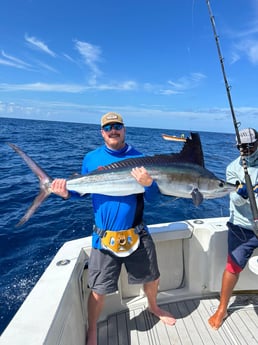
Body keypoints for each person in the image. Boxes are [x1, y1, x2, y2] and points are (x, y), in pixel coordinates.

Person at [51, 112, 176, 345]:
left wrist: (149, 185)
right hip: (104, 237)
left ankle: (154, 307)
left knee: (152, 277)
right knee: (98, 289)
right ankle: (92, 331)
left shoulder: (141, 158)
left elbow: (155, 200)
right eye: (108, 127)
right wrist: (66, 193)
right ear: (102, 132)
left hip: (137, 232)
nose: (113, 130)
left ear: (124, 129)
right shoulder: (91, 159)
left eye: (117, 126)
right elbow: (83, 191)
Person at [208, 128, 258, 330]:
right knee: (233, 267)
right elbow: (235, 200)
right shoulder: (233, 168)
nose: (245, 150)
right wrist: (243, 194)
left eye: (249, 146)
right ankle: (222, 308)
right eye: (241, 147)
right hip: (242, 227)